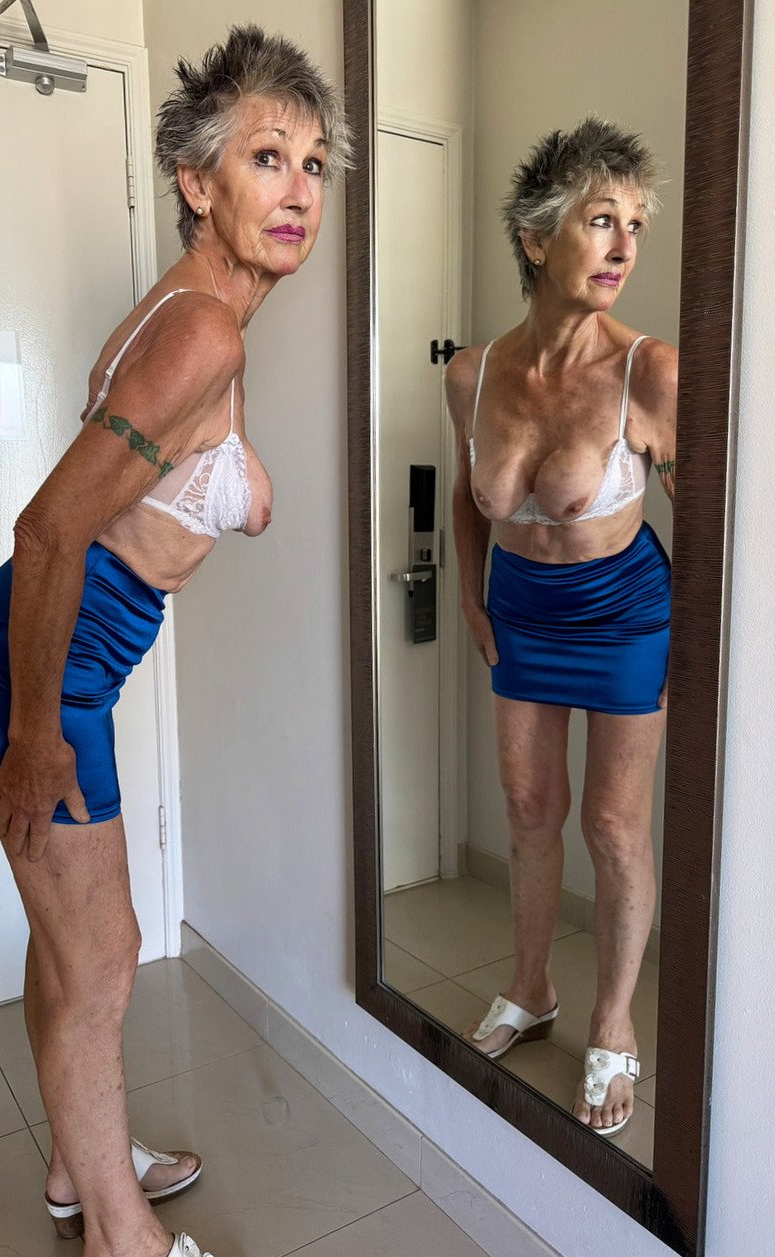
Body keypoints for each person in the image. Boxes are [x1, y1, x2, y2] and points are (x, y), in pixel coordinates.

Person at [0, 25, 350, 1257]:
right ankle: (121, 1236)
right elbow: (47, 528)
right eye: (266, 158)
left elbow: (142, 493)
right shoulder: (203, 332)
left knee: (73, 949)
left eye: (314, 162)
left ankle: (79, 1168)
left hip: (55, 652)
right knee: (109, 960)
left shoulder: (198, 318)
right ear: (197, 184)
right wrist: (35, 733)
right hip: (44, 661)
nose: (298, 188)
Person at [446, 118, 676, 1138]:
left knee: (613, 826)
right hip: (522, 611)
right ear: (536, 238)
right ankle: (531, 986)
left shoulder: (648, 371)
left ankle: (613, 1020)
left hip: (624, 613)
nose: (624, 246)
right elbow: (471, 497)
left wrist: (698, 644)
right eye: (601, 220)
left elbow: (704, 520)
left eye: (635, 225)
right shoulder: (472, 373)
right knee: (529, 808)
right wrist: (470, 593)